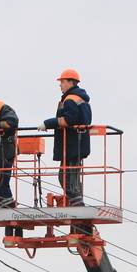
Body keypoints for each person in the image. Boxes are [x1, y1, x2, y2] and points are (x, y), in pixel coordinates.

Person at [37, 68, 92, 209]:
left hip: (73, 145)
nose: (60, 85)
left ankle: (77, 204)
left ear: (71, 82)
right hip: (74, 144)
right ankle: (76, 202)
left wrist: (48, 123)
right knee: (69, 176)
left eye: (62, 82)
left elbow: (69, 120)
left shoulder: (71, 100)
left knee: (67, 178)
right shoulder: (78, 99)